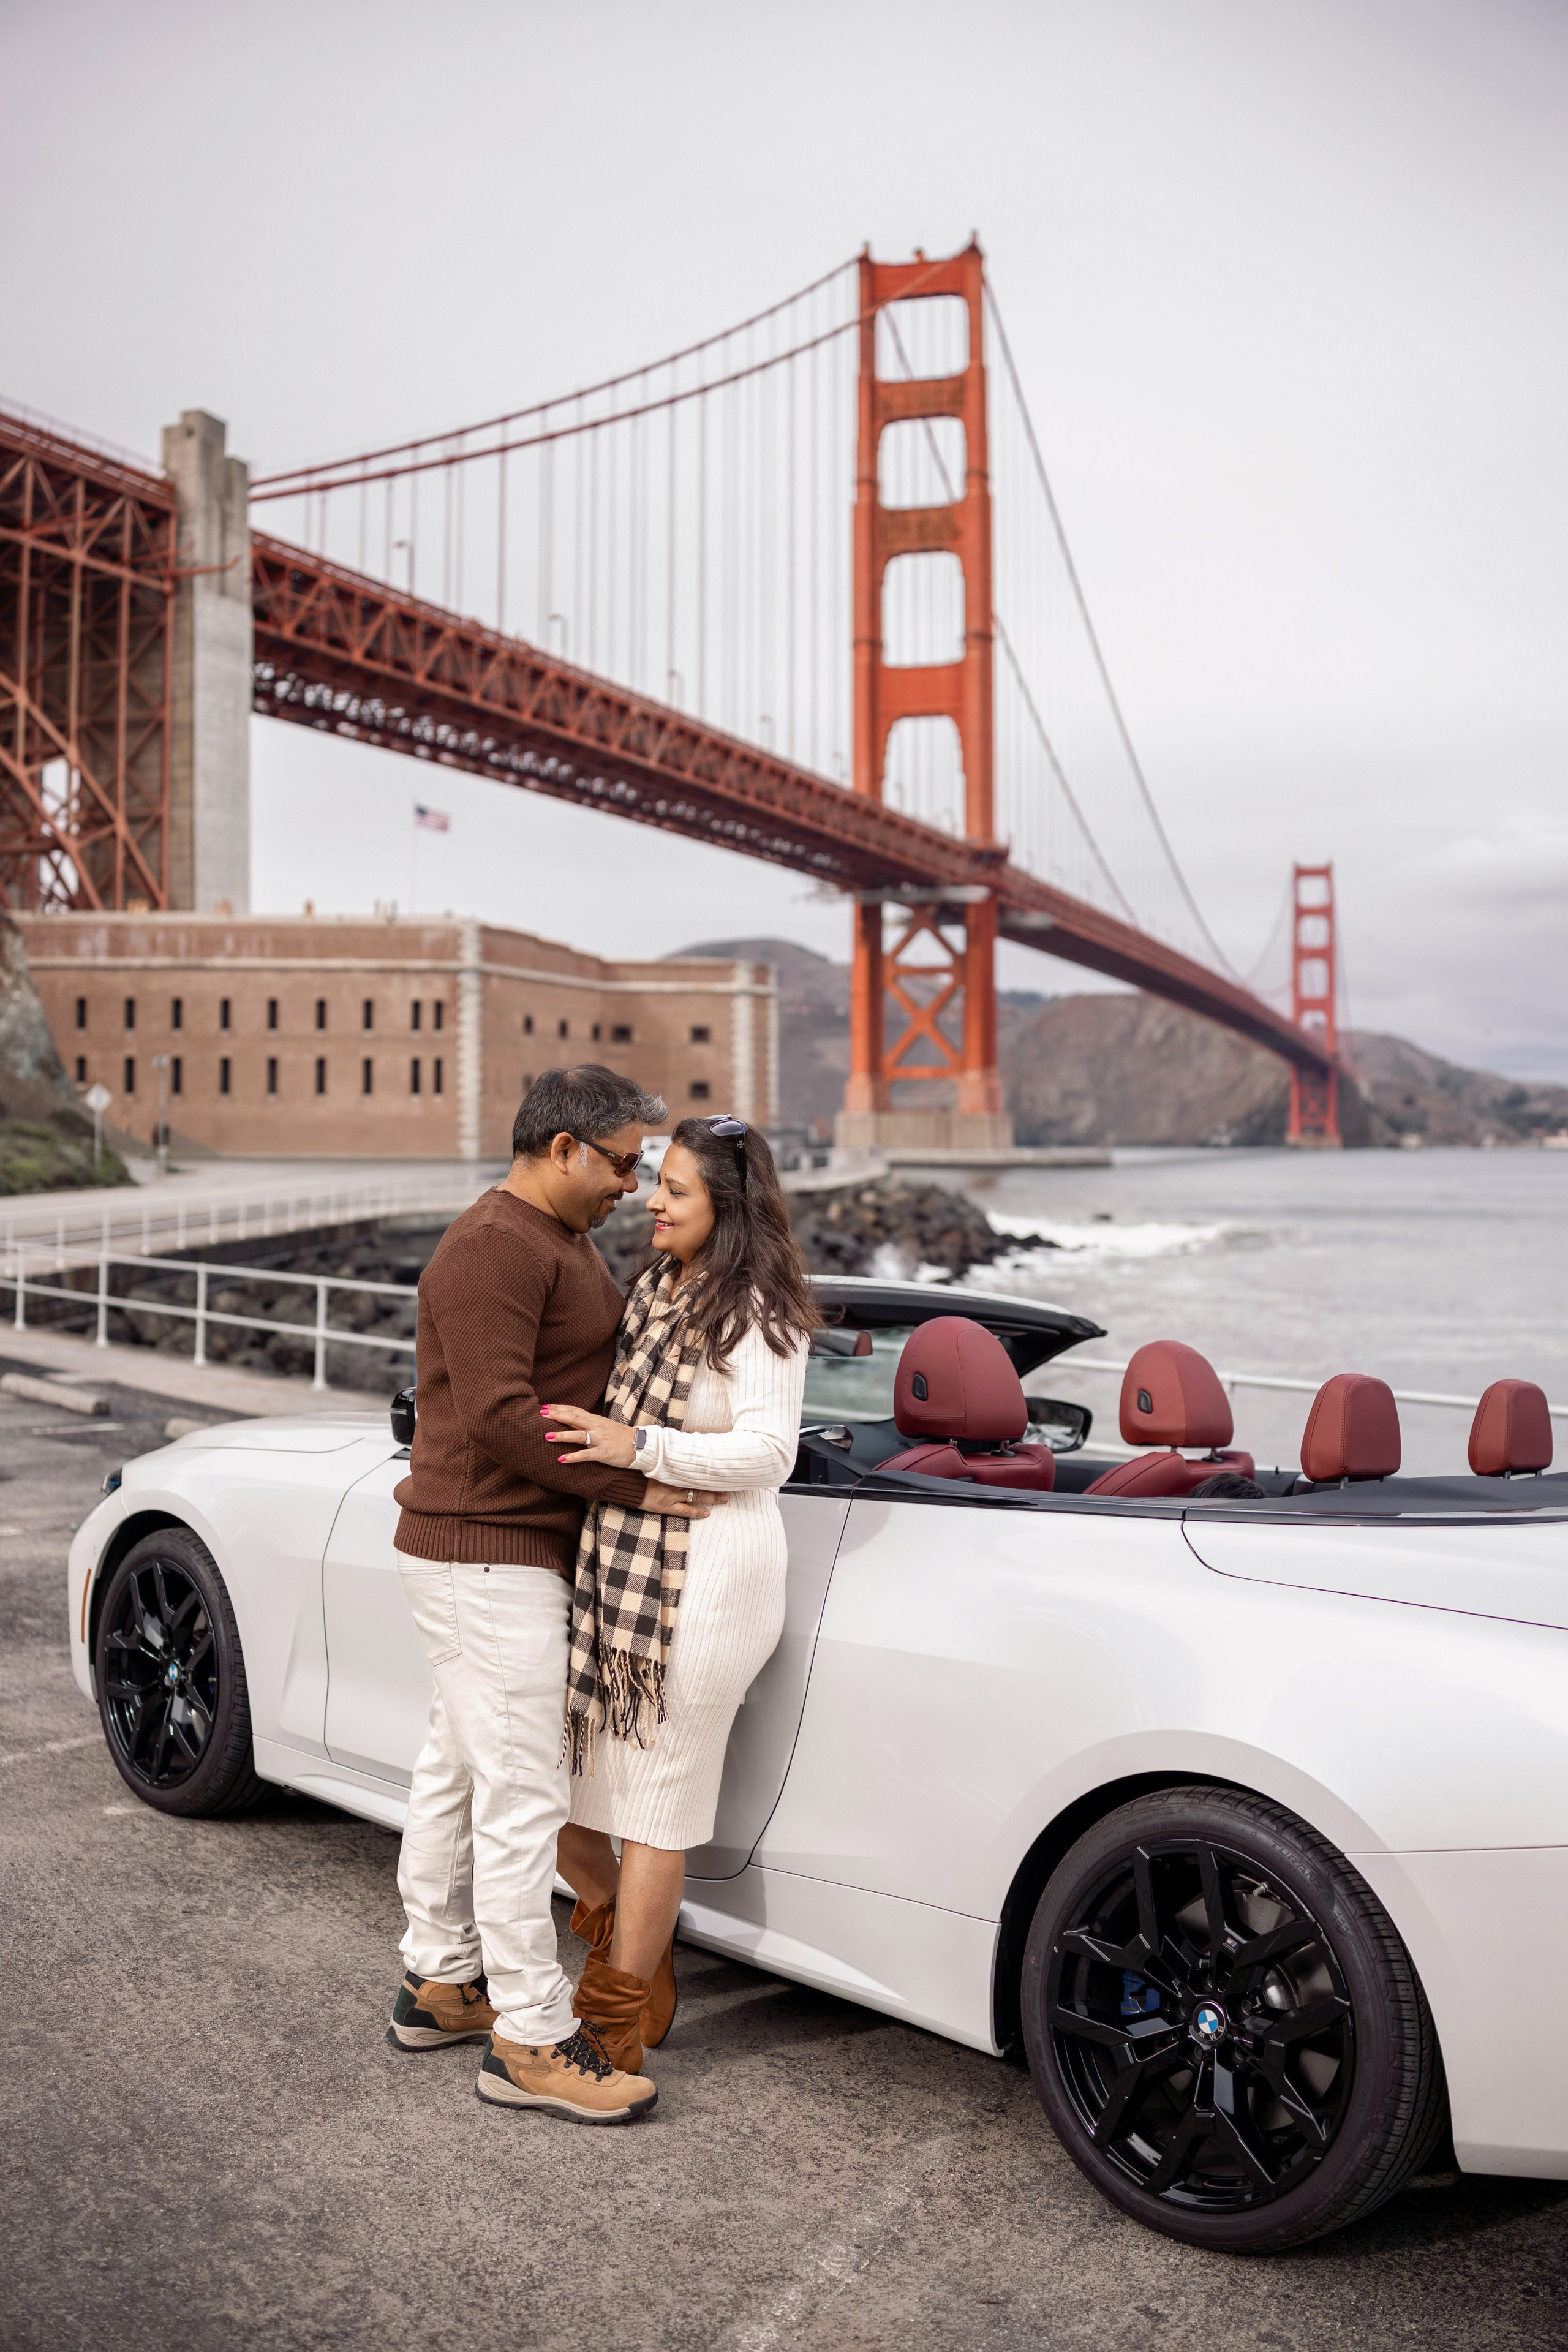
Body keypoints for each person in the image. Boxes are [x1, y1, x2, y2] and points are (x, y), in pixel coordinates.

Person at [387, 1065, 718, 2126]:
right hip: (486, 1551)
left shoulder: (559, 1242)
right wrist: (641, 1481)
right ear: (563, 1148)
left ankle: (439, 1980)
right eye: (624, 1162)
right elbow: (493, 1416)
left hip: (498, 1548)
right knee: (524, 1794)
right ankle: (530, 2035)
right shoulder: (494, 1247)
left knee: (456, 1767)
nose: (634, 1182)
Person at [543, 1114, 819, 2076]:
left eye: (676, 1190)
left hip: (712, 1581)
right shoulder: (659, 1289)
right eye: (655, 1183)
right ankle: (626, 1927)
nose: (652, 1202)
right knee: (566, 1791)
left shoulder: (762, 1310)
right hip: (630, 1573)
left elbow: (770, 1452)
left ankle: (616, 2024)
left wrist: (639, 1447)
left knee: (657, 1805)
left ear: (727, 1209)